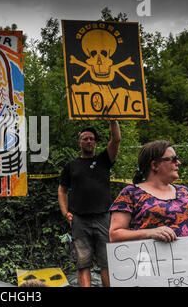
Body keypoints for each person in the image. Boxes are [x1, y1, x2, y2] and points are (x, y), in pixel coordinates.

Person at [58, 120, 121, 287]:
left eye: (91, 138)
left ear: (95, 142)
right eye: (85, 138)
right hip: (79, 220)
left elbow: (116, 140)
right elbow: (62, 190)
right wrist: (65, 213)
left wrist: (113, 120)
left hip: (103, 218)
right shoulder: (71, 166)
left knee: (106, 262)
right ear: (79, 142)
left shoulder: (104, 160)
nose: (88, 141)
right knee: (82, 262)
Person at [109, 140, 188, 243]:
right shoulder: (130, 193)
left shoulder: (186, 192)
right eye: (173, 159)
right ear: (155, 165)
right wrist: (150, 233)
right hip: (151, 258)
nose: (178, 163)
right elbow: (115, 235)